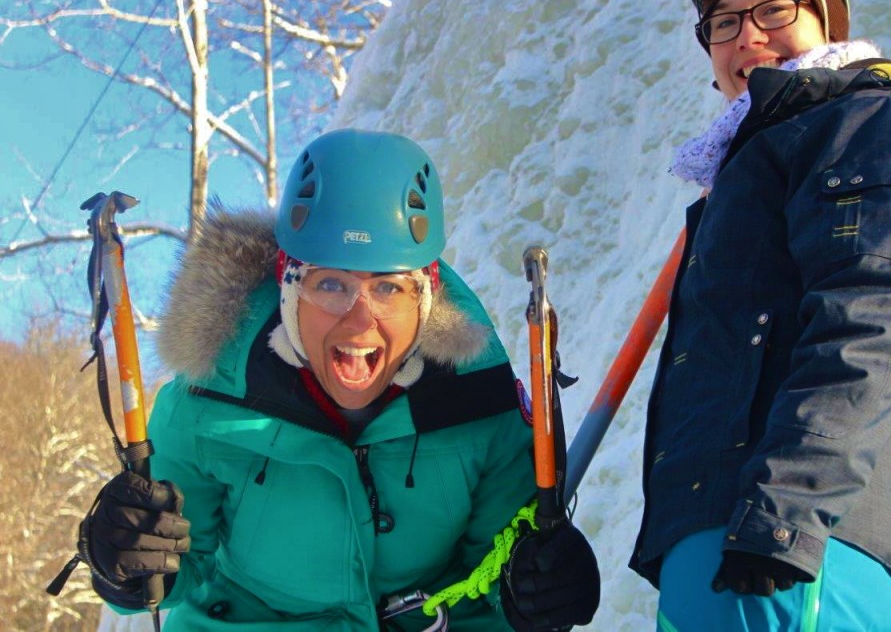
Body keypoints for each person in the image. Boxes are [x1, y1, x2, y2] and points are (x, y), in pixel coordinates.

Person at [629, 0, 891, 631]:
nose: (746, 37)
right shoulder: (750, 161)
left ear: (827, 15)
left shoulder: (874, 123)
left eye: (773, 10)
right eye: (722, 23)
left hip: (801, 540)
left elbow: (877, 312)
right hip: (718, 539)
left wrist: (788, 508)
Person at [75, 130, 600, 631]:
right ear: (287, 285)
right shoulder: (208, 398)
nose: (359, 319)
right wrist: (125, 557)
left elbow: (497, 560)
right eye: (330, 284)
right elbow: (177, 571)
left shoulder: (478, 401)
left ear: (427, 295)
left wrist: (530, 588)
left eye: (389, 288)